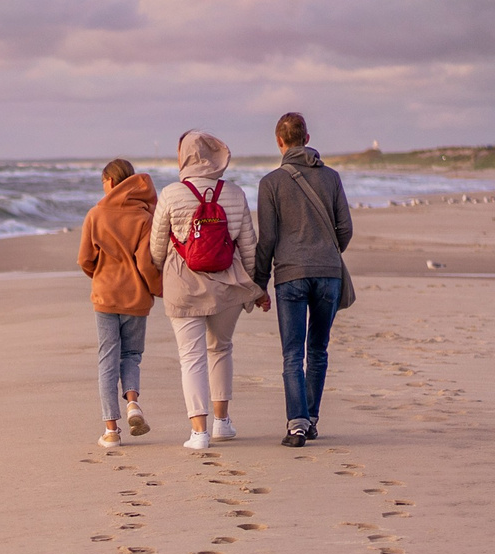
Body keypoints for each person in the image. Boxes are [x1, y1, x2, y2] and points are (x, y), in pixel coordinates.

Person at [149, 130, 267, 452]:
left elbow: (157, 248)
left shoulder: (172, 194)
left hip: (183, 285)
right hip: (227, 286)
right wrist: (255, 287)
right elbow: (248, 246)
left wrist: (160, 274)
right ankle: (222, 422)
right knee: (221, 348)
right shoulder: (235, 193)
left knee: (191, 358)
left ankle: (198, 433)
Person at [253, 111, 354, 447]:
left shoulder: (270, 183)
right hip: (328, 273)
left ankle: (297, 424)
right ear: (307, 139)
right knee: (319, 349)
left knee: (292, 354)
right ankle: (311, 418)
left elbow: (266, 239)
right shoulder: (333, 177)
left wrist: (259, 282)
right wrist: (327, 251)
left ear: (279, 142)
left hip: (291, 276)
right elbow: (346, 229)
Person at [78, 158, 162, 448]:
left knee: (107, 360)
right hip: (136, 297)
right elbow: (145, 261)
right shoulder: (143, 217)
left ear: (111, 182)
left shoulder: (96, 214)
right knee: (131, 356)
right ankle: (133, 404)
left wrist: (100, 275)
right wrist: (157, 289)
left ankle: (111, 430)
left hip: (105, 295)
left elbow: (84, 260)